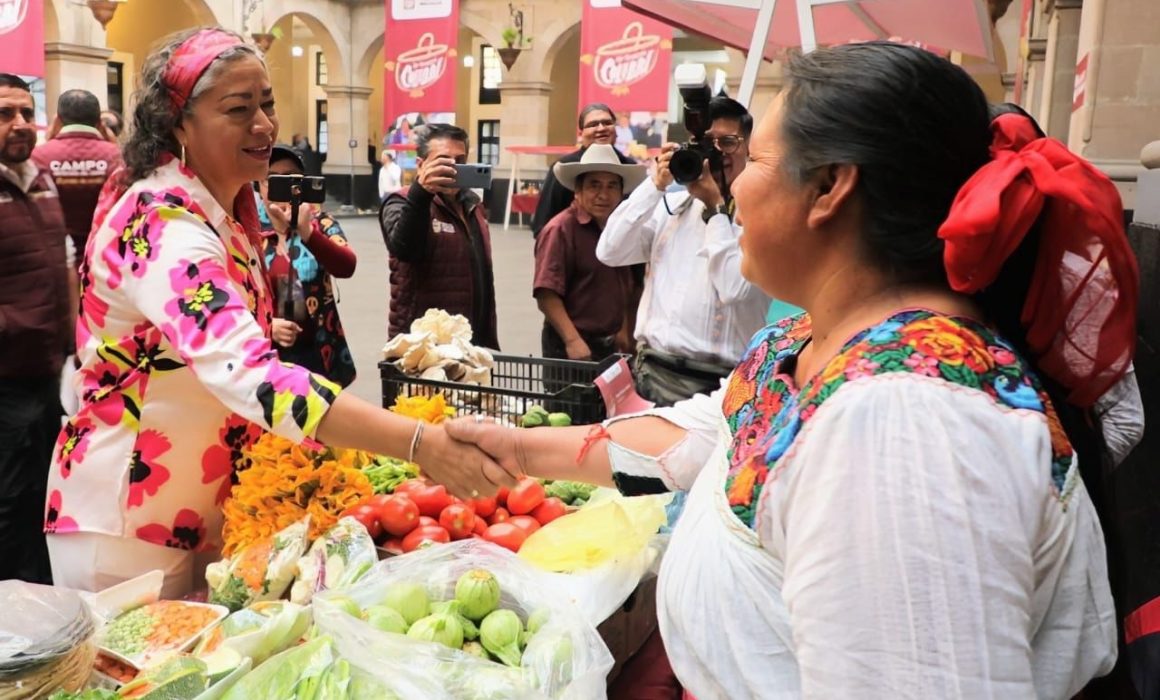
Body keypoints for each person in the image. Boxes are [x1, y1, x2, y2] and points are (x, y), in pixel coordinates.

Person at [445, 42, 1136, 697]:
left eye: (755, 160)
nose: (734, 187)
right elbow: (712, 435)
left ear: (831, 186)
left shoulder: (903, 425)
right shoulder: (817, 337)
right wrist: (517, 448)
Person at [44, 28, 516, 599]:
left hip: (211, 506)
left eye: (266, 102)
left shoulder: (229, 211)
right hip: (127, 520)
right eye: (239, 109)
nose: (264, 124)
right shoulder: (162, 224)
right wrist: (420, 442)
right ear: (177, 124)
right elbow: (253, 374)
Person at [599, 96, 771, 406]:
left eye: (728, 143)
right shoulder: (671, 208)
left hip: (720, 385)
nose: (716, 154)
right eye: (707, 143)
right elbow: (609, 250)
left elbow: (734, 287)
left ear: (749, 150)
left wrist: (716, 210)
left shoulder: (762, 218)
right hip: (651, 374)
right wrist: (655, 185)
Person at [0, 73, 73, 584]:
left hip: (48, 370)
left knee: (43, 489)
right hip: (5, 376)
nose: (21, 124)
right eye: (5, 114)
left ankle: (39, 597)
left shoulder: (40, 177)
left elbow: (63, 258)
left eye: (27, 112)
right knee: (9, 497)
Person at [379, 123, 499, 349]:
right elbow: (405, 249)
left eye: (460, 162)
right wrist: (422, 193)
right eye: (443, 162)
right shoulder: (401, 202)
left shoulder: (473, 205)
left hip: (470, 344)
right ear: (421, 164)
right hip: (421, 347)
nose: (453, 169)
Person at [258, 144, 358, 387]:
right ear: (259, 185)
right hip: (270, 356)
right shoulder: (246, 229)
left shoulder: (321, 223)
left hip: (320, 350)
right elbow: (234, 296)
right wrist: (267, 326)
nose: (281, 186)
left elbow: (346, 266)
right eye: (272, 179)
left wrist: (307, 232)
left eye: (291, 178)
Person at [534, 144, 645, 362]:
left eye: (612, 186)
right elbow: (546, 294)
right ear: (578, 190)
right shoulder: (560, 229)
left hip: (612, 344)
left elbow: (627, 285)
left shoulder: (619, 230)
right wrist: (572, 341)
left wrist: (624, 328)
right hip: (571, 345)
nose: (603, 194)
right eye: (594, 185)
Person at [33, 89, 122, 261]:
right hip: (106, 259)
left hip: (55, 258)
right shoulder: (119, 158)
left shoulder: (38, 157)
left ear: (57, 120)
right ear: (99, 122)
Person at [530, 103, 636, 238]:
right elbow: (543, 224)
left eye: (607, 123)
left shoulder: (629, 167)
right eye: (593, 124)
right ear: (581, 133)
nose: (601, 128)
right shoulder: (563, 167)